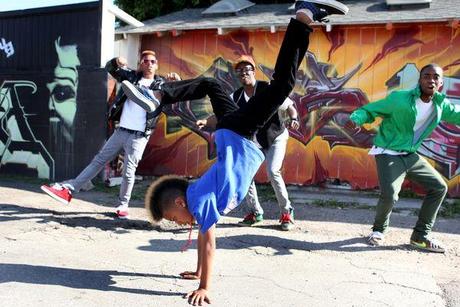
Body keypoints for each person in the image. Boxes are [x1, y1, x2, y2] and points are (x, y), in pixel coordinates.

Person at [122, 1, 348, 304]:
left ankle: (302, 18)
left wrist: (205, 286)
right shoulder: (197, 197)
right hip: (233, 130)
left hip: (241, 135)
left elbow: (211, 244)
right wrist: (197, 271)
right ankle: (162, 94)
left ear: (179, 202)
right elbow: (203, 239)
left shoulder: (199, 202)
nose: (178, 223)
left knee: (282, 86)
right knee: (213, 85)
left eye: (174, 219)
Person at [40, 50, 180, 219]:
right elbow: (110, 68)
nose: (149, 64)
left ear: (156, 64)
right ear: (140, 64)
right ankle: (69, 190)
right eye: (145, 61)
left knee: (129, 171)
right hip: (121, 131)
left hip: (140, 135)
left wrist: (177, 83)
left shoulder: (162, 84)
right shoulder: (131, 77)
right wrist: (116, 60)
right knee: (98, 161)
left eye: (152, 61)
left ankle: (123, 204)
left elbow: (175, 102)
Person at [350, 63, 460, 253]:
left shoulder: (440, 104)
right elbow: (371, 110)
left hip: (410, 154)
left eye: (436, 77)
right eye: (427, 76)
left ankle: (420, 236)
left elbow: (458, 114)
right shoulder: (399, 98)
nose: (431, 80)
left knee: (439, 187)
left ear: (441, 83)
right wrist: (356, 119)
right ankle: (378, 230)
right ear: (420, 80)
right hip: (387, 152)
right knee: (391, 194)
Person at [198, 55, 300, 230]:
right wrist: (206, 121)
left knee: (273, 171)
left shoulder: (267, 88)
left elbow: (288, 105)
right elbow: (222, 114)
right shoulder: (236, 97)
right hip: (254, 142)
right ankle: (255, 212)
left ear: (253, 71)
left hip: (275, 136)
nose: (244, 73)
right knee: (245, 175)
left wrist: (294, 117)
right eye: (240, 71)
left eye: (247, 69)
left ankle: (286, 212)